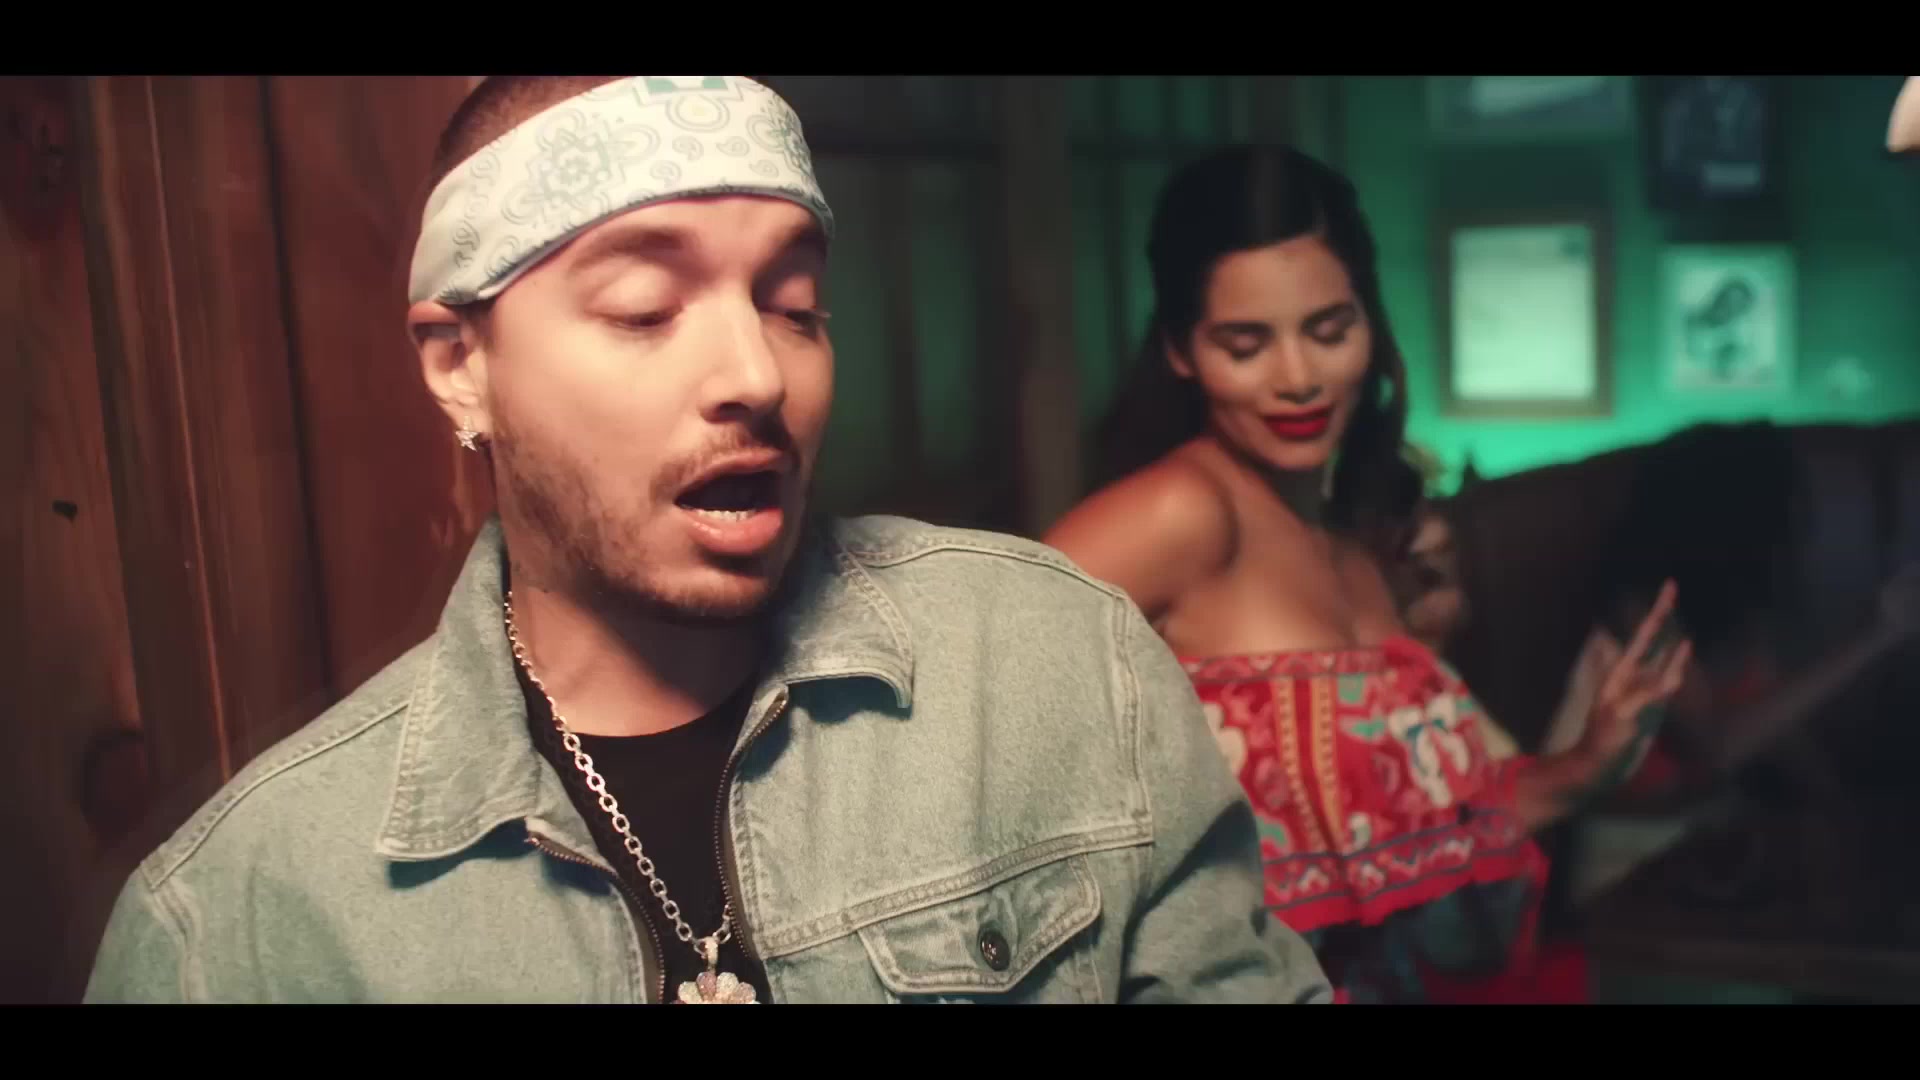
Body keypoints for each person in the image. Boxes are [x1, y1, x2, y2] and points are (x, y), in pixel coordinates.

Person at [82, 76, 1329, 1005]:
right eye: (644, 308)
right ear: (461, 364)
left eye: (796, 307)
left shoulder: (1060, 664)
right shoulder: (243, 923)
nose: (755, 374)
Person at [1044, 145, 1688, 1003]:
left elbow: (1415, 842)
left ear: (1371, 326)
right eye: (1246, 344)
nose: (1298, 377)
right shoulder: (1179, 514)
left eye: (1329, 330)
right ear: (1181, 350)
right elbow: (971, 728)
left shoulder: (1351, 548)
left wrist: (1586, 764)